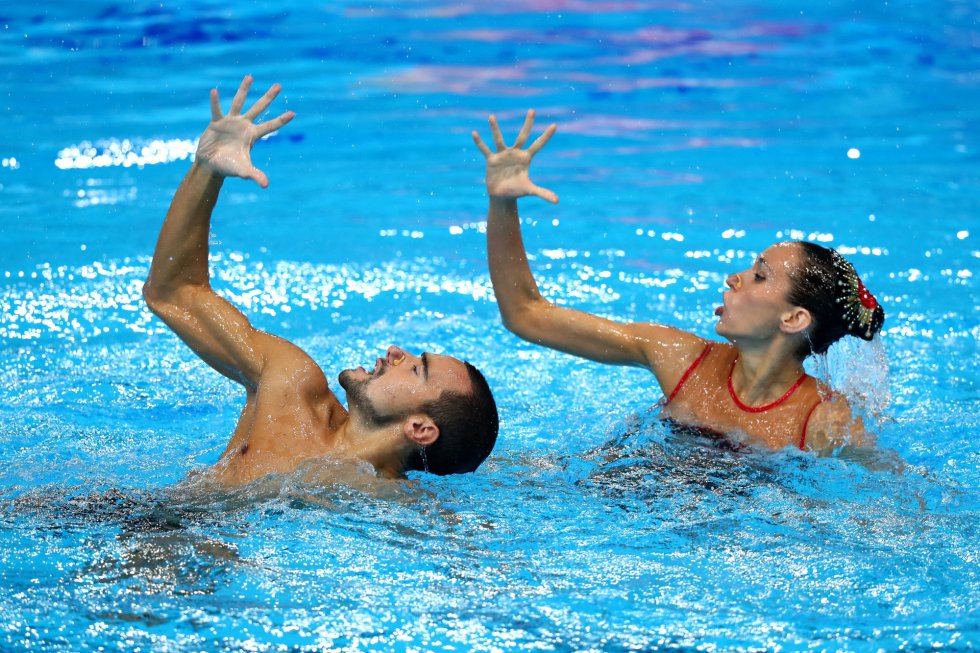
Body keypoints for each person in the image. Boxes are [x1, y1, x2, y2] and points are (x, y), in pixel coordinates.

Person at [143, 76, 498, 486]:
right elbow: (173, 293)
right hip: (124, 513)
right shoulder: (290, 385)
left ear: (420, 429)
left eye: (418, 369)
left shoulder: (395, 508)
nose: (396, 351)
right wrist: (206, 172)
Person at [472, 111, 885, 453]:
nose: (734, 278)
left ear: (794, 318)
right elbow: (526, 314)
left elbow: (887, 502)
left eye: (759, 276)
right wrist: (502, 203)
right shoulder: (681, 359)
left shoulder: (825, 423)